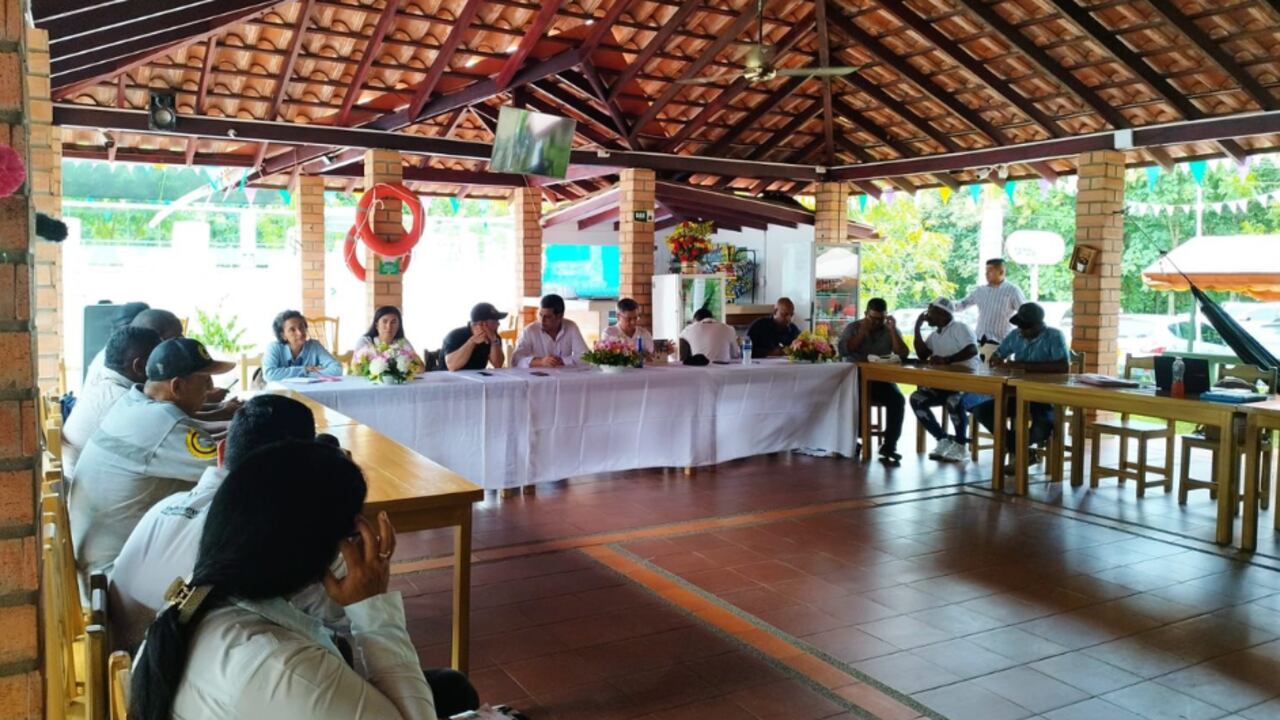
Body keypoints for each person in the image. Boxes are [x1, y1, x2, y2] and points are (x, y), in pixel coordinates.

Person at [129, 441, 477, 720]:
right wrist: (373, 608)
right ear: (324, 552)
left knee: (451, 689)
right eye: (352, 532)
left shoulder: (196, 596)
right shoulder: (284, 667)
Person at [109, 395, 320, 652]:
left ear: (221, 452)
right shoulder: (269, 535)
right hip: (165, 676)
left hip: (118, 660)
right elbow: (336, 617)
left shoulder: (166, 505)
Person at [69, 338, 235, 584]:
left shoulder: (132, 404)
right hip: (114, 578)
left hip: (96, 565)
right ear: (177, 387)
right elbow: (230, 470)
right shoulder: (166, 424)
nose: (210, 389)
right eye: (205, 381)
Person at [974, 302, 1070, 474]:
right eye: (1019, 327)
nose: (1021, 331)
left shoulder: (1054, 336)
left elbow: (1063, 367)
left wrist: (1023, 366)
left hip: (1045, 397)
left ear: (1039, 325)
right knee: (983, 411)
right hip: (1017, 394)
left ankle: (1019, 449)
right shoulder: (1015, 335)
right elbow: (999, 354)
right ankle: (1024, 452)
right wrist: (996, 359)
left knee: (1042, 428)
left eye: (1025, 327)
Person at [62, 327, 162, 478]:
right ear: (140, 366)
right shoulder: (127, 404)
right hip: (92, 493)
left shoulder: (102, 385)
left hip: (82, 485)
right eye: (161, 363)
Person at [908, 298, 979, 464]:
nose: (927, 315)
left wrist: (948, 360)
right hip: (944, 384)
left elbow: (972, 349)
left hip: (967, 384)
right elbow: (923, 355)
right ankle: (942, 439)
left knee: (953, 400)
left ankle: (961, 445)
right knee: (917, 399)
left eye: (930, 311)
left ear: (943, 313)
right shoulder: (935, 334)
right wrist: (917, 328)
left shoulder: (959, 328)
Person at [839, 299, 909, 464]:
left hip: (881, 379)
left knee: (898, 399)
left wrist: (892, 331)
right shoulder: (853, 328)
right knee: (857, 398)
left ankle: (889, 445)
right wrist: (862, 333)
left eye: (881, 319)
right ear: (866, 314)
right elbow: (843, 350)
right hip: (855, 378)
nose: (877, 322)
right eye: (874, 318)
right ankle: (855, 440)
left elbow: (903, 353)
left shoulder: (888, 329)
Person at [954, 258, 1027, 360]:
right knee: (978, 373)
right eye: (986, 271)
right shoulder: (981, 290)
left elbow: (1024, 312)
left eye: (990, 271)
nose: (986, 274)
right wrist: (945, 305)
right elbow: (962, 304)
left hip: (1001, 343)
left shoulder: (1012, 291)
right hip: (979, 340)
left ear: (1001, 272)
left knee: (997, 373)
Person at [511, 293, 588, 368]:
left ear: (560, 316)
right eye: (540, 315)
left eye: (547, 317)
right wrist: (541, 361)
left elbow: (586, 357)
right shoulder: (529, 331)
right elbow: (516, 360)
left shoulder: (571, 327)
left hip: (565, 378)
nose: (542, 320)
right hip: (537, 378)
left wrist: (563, 361)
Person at [263, 310, 343, 380]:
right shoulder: (274, 348)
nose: (300, 333)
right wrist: (304, 370)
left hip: (309, 394)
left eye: (302, 327)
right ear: (283, 335)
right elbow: (269, 374)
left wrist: (307, 373)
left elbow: (337, 369)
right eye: (292, 330)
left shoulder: (314, 346)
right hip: (281, 395)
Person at [441, 302, 507, 371]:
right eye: (494, 321)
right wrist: (472, 342)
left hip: (477, 379)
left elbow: (498, 364)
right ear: (482, 324)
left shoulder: (494, 337)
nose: (498, 324)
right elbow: (452, 366)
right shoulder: (456, 335)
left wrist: (494, 342)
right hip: (447, 379)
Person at [354, 305, 421, 362]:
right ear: (376, 325)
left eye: (393, 322)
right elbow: (356, 368)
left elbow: (420, 366)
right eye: (385, 321)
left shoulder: (402, 342)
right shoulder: (365, 341)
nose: (389, 326)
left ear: (399, 326)